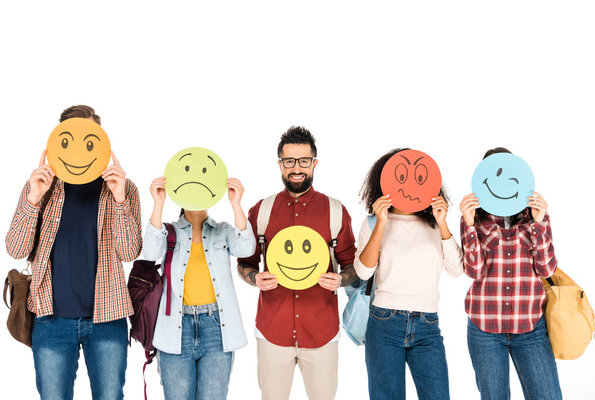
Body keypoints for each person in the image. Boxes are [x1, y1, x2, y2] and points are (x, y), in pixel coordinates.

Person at [5, 105, 142, 400]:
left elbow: (129, 251)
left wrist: (119, 197)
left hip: (108, 318)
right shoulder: (41, 187)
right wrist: (33, 198)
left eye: (89, 137)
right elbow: (15, 248)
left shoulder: (124, 188)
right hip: (51, 320)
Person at [237, 126, 357, 400]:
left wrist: (341, 279)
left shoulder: (335, 211)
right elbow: (245, 261)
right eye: (289, 161)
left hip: (322, 332)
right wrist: (254, 277)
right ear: (280, 164)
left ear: (314, 163)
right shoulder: (262, 211)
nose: (296, 168)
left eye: (304, 161)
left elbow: (351, 266)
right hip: (272, 331)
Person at [354, 148, 463, 400]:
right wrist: (381, 223)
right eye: (400, 176)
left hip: (427, 325)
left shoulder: (435, 224)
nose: (410, 185)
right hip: (384, 323)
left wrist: (444, 223)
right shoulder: (372, 223)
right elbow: (363, 271)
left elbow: (456, 270)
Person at [459, 147, 562, 400]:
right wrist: (469, 224)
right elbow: (474, 270)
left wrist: (539, 223)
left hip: (529, 326)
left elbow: (547, 269)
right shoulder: (475, 219)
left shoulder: (535, 216)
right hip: (484, 328)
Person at [142, 175, 255, 400]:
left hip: (216, 328)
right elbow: (151, 253)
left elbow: (246, 247)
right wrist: (158, 204)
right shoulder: (169, 231)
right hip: (175, 328)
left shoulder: (222, 230)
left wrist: (236, 204)